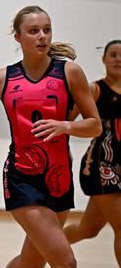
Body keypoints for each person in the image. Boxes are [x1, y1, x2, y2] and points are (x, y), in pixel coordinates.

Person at [0, 5, 102, 268]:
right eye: (34, 31)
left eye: (47, 30)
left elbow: (95, 126)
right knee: (66, 262)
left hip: (59, 178)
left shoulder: (70, 73)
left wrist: (65, 126)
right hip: (22, 177)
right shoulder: (0, 78)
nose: (42, 36)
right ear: (18, 37)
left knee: (31, 262)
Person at [64, 39, 121, 266]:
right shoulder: (95, 90)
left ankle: (46, 244)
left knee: (88, 229)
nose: (119, 59)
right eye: (114, 55)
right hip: (100, 165)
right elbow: (66, 121)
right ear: (104, 59)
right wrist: (63, 148)